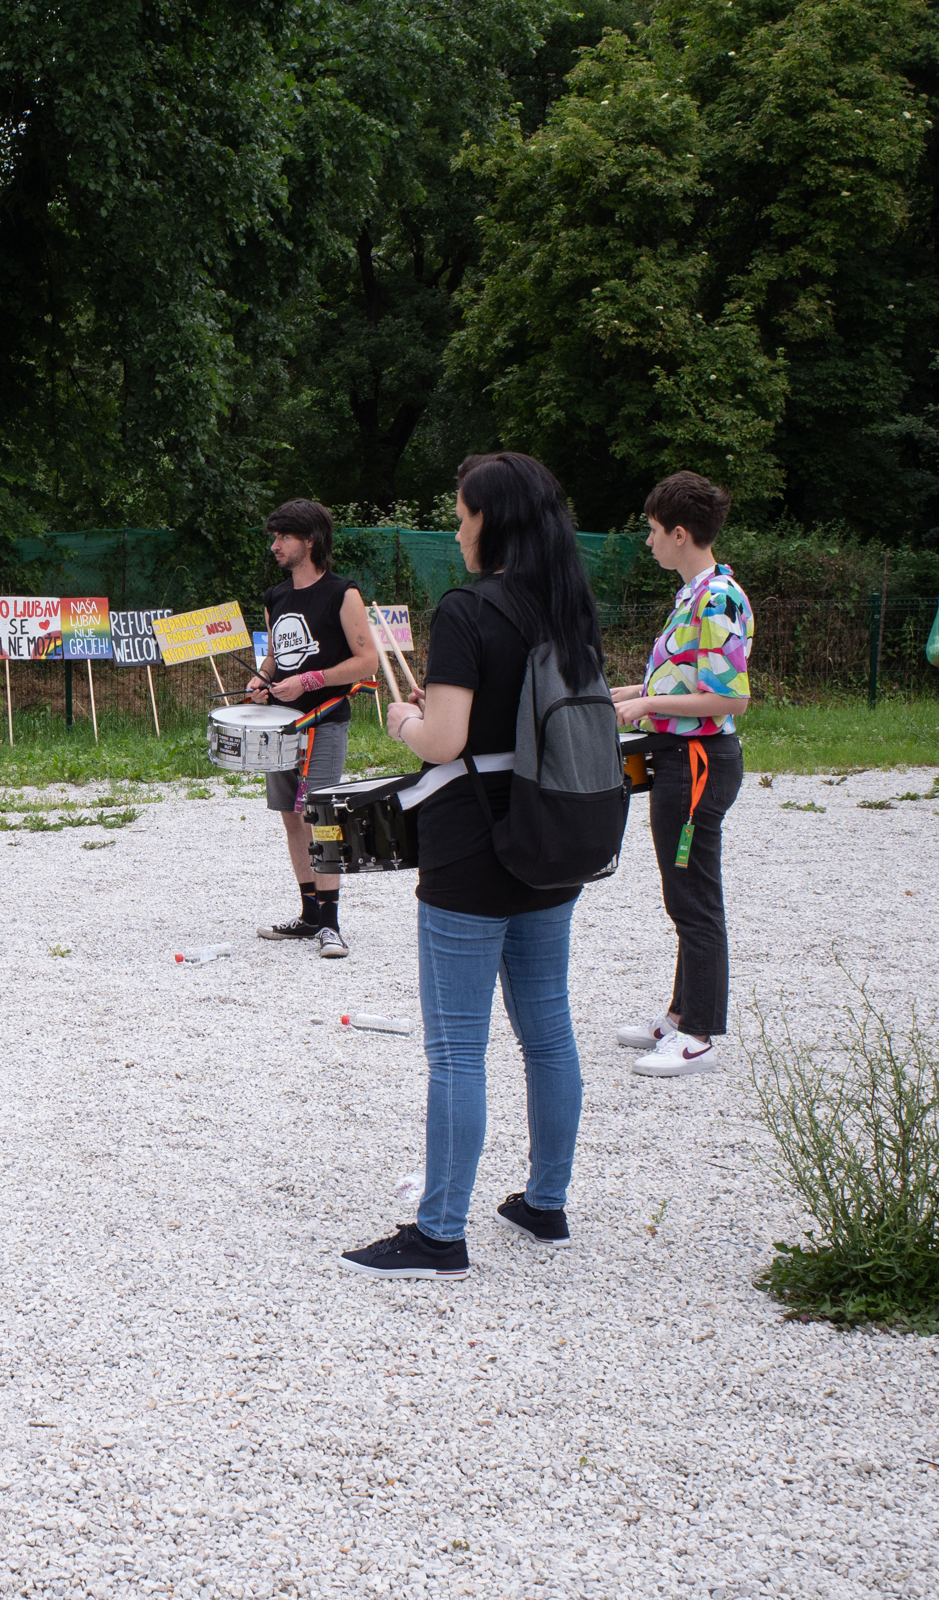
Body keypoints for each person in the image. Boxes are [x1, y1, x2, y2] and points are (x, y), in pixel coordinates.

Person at [341, 452, 604, 1278]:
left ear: (491, 520)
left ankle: (439, 1232)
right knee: (547, 1031)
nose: (457, 532)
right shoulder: (568, 606)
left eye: (460, 517)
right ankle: (546, 1202)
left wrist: (400, 721)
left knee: (457, 1048)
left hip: (472, 844)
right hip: (552, 831)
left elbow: (444, 739)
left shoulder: (467, 608)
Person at [611, 471, 752, 1077]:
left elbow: (729, 698)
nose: (648, 541)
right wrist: (628, 693)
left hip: (698, 764)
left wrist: (645, 704)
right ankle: (679, 1013)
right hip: (678, 757)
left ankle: (699, 1034)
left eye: (651, 530)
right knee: (682, 890)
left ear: (678, 533)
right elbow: (685, 680)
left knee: (693, 897)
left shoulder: (717, 598)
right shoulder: (695, 595)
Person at [245, 499, 380, 958]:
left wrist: (309, 681)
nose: (275, 545)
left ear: (310, 540)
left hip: (325, 721)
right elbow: (276, 656)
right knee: (291, 817)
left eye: (283, 537)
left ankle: (331, 924)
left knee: (321, 817)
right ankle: (308, 917)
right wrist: (262, 680)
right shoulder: (275, 597)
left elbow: (367, 661)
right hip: (281, 727)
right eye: (274, 537)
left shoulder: (343, 593)